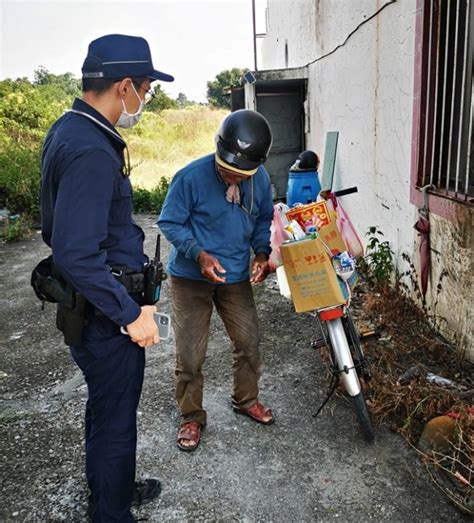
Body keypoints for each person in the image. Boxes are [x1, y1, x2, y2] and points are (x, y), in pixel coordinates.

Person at [40, 34, 173, 522]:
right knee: (116, 421)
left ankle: (110, 490)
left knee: (105, 408)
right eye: (146, 88)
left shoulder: (71, 130)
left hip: (93, 304)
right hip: (105, 312)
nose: (147, 98)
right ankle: (111, 513)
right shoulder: (92, 149)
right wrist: (129, 315)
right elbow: (77, 251)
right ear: (123, 87)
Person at [158, 109, 274, 452]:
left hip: (235, 276)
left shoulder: (261, 179)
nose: (233, 179)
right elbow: (169, 222)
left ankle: (245, 399)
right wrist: (199, 254)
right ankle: (191, 416)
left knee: (249, 341)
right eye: (227, 171)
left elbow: (264, 217)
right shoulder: (190, 177)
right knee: (190, 354)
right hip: (190, 277)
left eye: (242, 175)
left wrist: (262, 254)